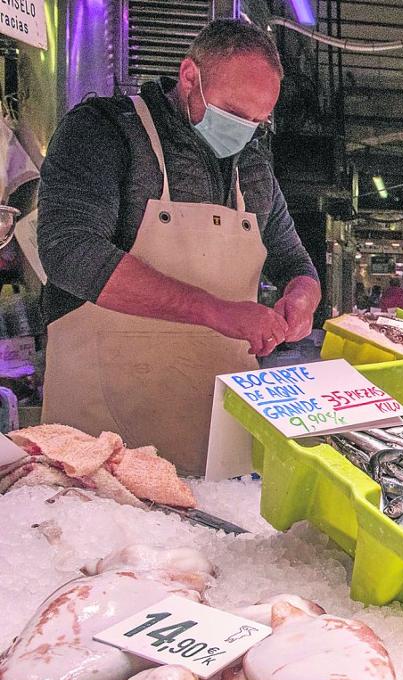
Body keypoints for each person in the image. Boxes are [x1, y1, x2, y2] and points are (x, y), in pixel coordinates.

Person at [37, 20, 321, 475]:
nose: (245, 131)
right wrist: (217, 311)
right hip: (100, 442)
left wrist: (301, 298)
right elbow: (70, 251)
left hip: (214, 437)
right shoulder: (103, 130)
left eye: (258, 121)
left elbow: (294, 260)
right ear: (190, 76)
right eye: (233, 113)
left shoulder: (252, 164)